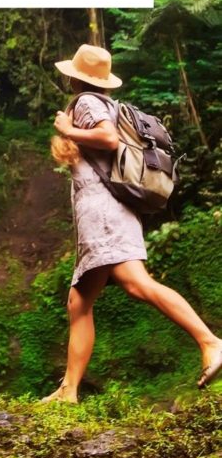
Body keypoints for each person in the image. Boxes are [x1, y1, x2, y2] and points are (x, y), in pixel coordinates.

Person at [42, 43, 222, 403]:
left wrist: (67, 128)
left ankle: (211, 342)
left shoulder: (85, 104)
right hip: (115, 213)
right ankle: (69, 389)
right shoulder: (108, 103)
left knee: (134, 286)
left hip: (105, 215)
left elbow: (107, 139)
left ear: (76, 78)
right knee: (80, 301)